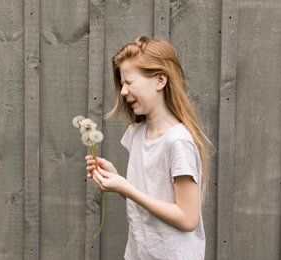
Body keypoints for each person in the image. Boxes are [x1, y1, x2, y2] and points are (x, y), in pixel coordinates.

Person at [85, 36, 211, 259]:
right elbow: (149, 198)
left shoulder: (177, 141)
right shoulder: (137, 132)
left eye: (130, 83)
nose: (123, 91)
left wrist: (127, 188)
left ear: (160, 80)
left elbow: (188, 219)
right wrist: (116, 179)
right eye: (122, 84)